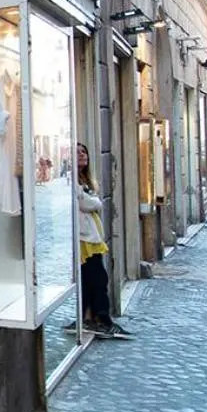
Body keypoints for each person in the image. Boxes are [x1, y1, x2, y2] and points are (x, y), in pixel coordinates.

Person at [74, 143, 130, 339]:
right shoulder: (72, 180)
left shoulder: (84, 180)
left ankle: (89, 317)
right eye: (77, 152)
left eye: (84, 152)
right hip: (83, 238)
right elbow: (88, 203)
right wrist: (95, 202)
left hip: (90, 236)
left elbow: (89, 202)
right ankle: (101, 319)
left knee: (92, 278)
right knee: (97, 278)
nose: (82, 155)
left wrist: (92, 202)